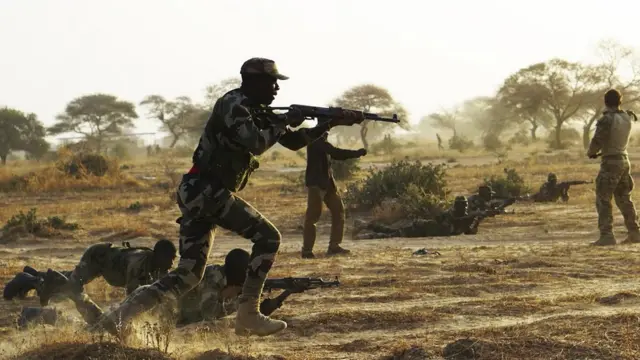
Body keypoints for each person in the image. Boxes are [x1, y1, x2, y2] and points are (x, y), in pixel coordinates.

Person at [93, 58, 364, 338]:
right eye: (272, 82)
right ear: (254, 81)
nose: (276, 89)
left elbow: (294, 142)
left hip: (200, 192)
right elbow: (257, 143)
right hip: (206, 191)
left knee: (188, 274)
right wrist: (285, 120)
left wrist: (327, 124)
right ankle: (248, 314)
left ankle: (119, 317)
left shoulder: (256, 109)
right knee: (268, 237)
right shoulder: (234, 105)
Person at [38, 239, 176, 326]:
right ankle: (48, 280)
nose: (171, 263)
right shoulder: (138, 263)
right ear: (158, 255)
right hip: (97, 257)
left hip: (107, 264)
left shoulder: (160, 267)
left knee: (73, 280)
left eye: (173, 259)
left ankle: (43, 278)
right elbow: (131, 297)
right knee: (74, 287)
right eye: (169, 259)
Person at [587, 89, 640, 246]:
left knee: (603, 198)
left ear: (605, 101)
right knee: (624, 198)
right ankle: (635, 232)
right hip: (624, 160)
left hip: (610, 162)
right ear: (620, 101)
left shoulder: (607, 119)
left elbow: (598, 139)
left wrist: (591, 152)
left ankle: (607, 235)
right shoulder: (626, 117)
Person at [302, 131, 367, 258]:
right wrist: (357, 153)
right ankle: (307, 251)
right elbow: (337, 153)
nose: (327, 133)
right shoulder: (315, 141)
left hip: (328, 184)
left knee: (339, 211)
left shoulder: (321, 142)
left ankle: (334, 246)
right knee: (313, 217)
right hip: (316, 184)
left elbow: (334, 156)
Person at [352, 196, 489, 239]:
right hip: (420, 228)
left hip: (424, 231)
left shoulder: (465, 219)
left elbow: (470, 232)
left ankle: (364, 226)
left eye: (465, 205)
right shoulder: (449, 214)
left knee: (390, 232)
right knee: (391, 234)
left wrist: (476, 221)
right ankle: (364, 233)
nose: (463, 208)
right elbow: (447, 222)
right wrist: (470, 217)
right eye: (461, 205)